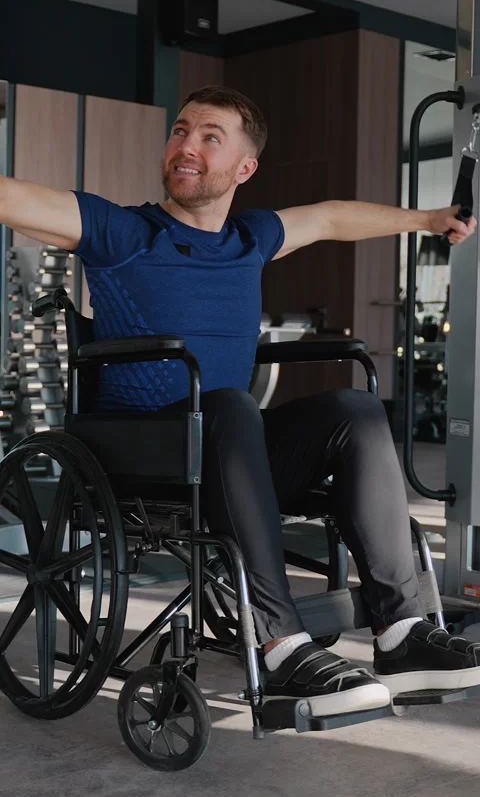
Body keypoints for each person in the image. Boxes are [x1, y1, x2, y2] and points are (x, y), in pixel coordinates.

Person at [1, 85, 479, 717]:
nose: (186, 147)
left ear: (244, 168)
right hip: (146, 456)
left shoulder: (251, 237)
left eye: (208, 137)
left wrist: (426, 220)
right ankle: (281, 647)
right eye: (179, 131)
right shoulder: (123, 230)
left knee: (357, 410)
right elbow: (13, 198)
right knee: (228, 406)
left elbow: (333, 218)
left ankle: (400, 633)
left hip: (233, 456)